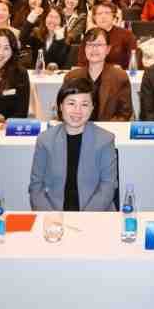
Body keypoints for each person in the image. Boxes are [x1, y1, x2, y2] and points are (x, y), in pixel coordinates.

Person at [29, 76, 118, 211]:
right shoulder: (45, 140)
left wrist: (84, 219)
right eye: (71, 103)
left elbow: (108, 186)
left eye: (84, 104)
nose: (77, 110)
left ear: (92, 108)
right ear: (60, 106)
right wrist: (52, 217)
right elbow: (36, 186)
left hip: (96, 215)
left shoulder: (105, 140)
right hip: (53, 216)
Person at [64, 26, 134, 121]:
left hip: (109, 128)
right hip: (78, 127)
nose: (94, 49)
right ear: (84, 49)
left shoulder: (120, 77)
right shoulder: (72, 77)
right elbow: (64, 110)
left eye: (99, 45)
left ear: (108, 49)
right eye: (90, 45)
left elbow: (124, 114)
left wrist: (104, 128)